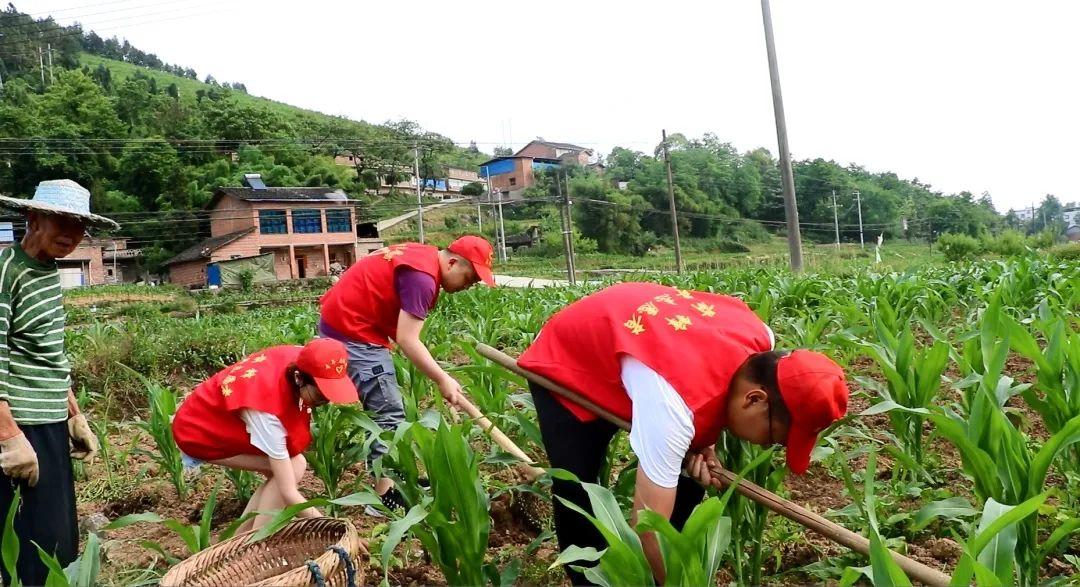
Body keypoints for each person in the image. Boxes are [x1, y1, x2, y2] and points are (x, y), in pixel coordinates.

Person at [517, 282, 849, 584]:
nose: (769, 445)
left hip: (640, 347)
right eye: (775, 437)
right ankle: (588, 580)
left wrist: (705, 440)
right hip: (570, 356)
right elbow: (646, 530)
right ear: (755, 399)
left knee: (687, 475)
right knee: (578, 488)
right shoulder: (671, 412)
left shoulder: (761, 341)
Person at [318, 235, 495, 510]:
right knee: (387, 413)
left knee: (386, 407)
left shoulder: (422, 255)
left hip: (344, 322)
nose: (468, 287)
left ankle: (392, 478)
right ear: (451, 262)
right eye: (469, 278)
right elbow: (408, 339)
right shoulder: (423, 278)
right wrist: (442, 378)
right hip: (354, 333)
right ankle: (382, 499)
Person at [0, 180, 116, 585]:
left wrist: (74, 413)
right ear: (32, 218)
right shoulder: (6, 272)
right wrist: (9, 437)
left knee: (60, 542)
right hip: (21, 426)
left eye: (79, 224)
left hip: (48, 422)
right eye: (61, 220)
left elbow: (48, 351)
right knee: (31, 548)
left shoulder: (48, 271)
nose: (70, 233)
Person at [171, 338, 358, 531]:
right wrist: (334, 528)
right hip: (199, 429)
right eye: (320, 396)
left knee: (287, 470)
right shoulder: (266, 409)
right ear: (298, 378)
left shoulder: (304, 358)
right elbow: (289, 494)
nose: (323, 402)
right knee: (295, 466)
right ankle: (257, 541)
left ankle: (240, 539)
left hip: (221, 415)